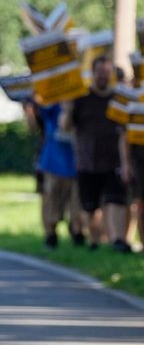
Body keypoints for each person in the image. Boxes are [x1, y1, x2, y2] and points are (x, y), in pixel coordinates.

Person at [60, 56, 131, 252]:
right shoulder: (81, 98)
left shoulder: (118, 99)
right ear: (93, 73)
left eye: (106, 72)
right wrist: (67, 109)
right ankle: (94, 240)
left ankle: (117, 240)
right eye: (100, 72)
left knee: (115, 200)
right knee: (90, 207)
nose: (103, 76)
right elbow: (65, 127)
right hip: (87, 161)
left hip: (114, 160)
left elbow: (124, 132)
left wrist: (126, 163)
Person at [37, 102, 84, 248]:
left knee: (77, 202)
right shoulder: (51, 103)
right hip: (53, 162)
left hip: (77, 163)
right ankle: (50, 235)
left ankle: (77, 233)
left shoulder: (81, 104)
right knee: (51, 199)